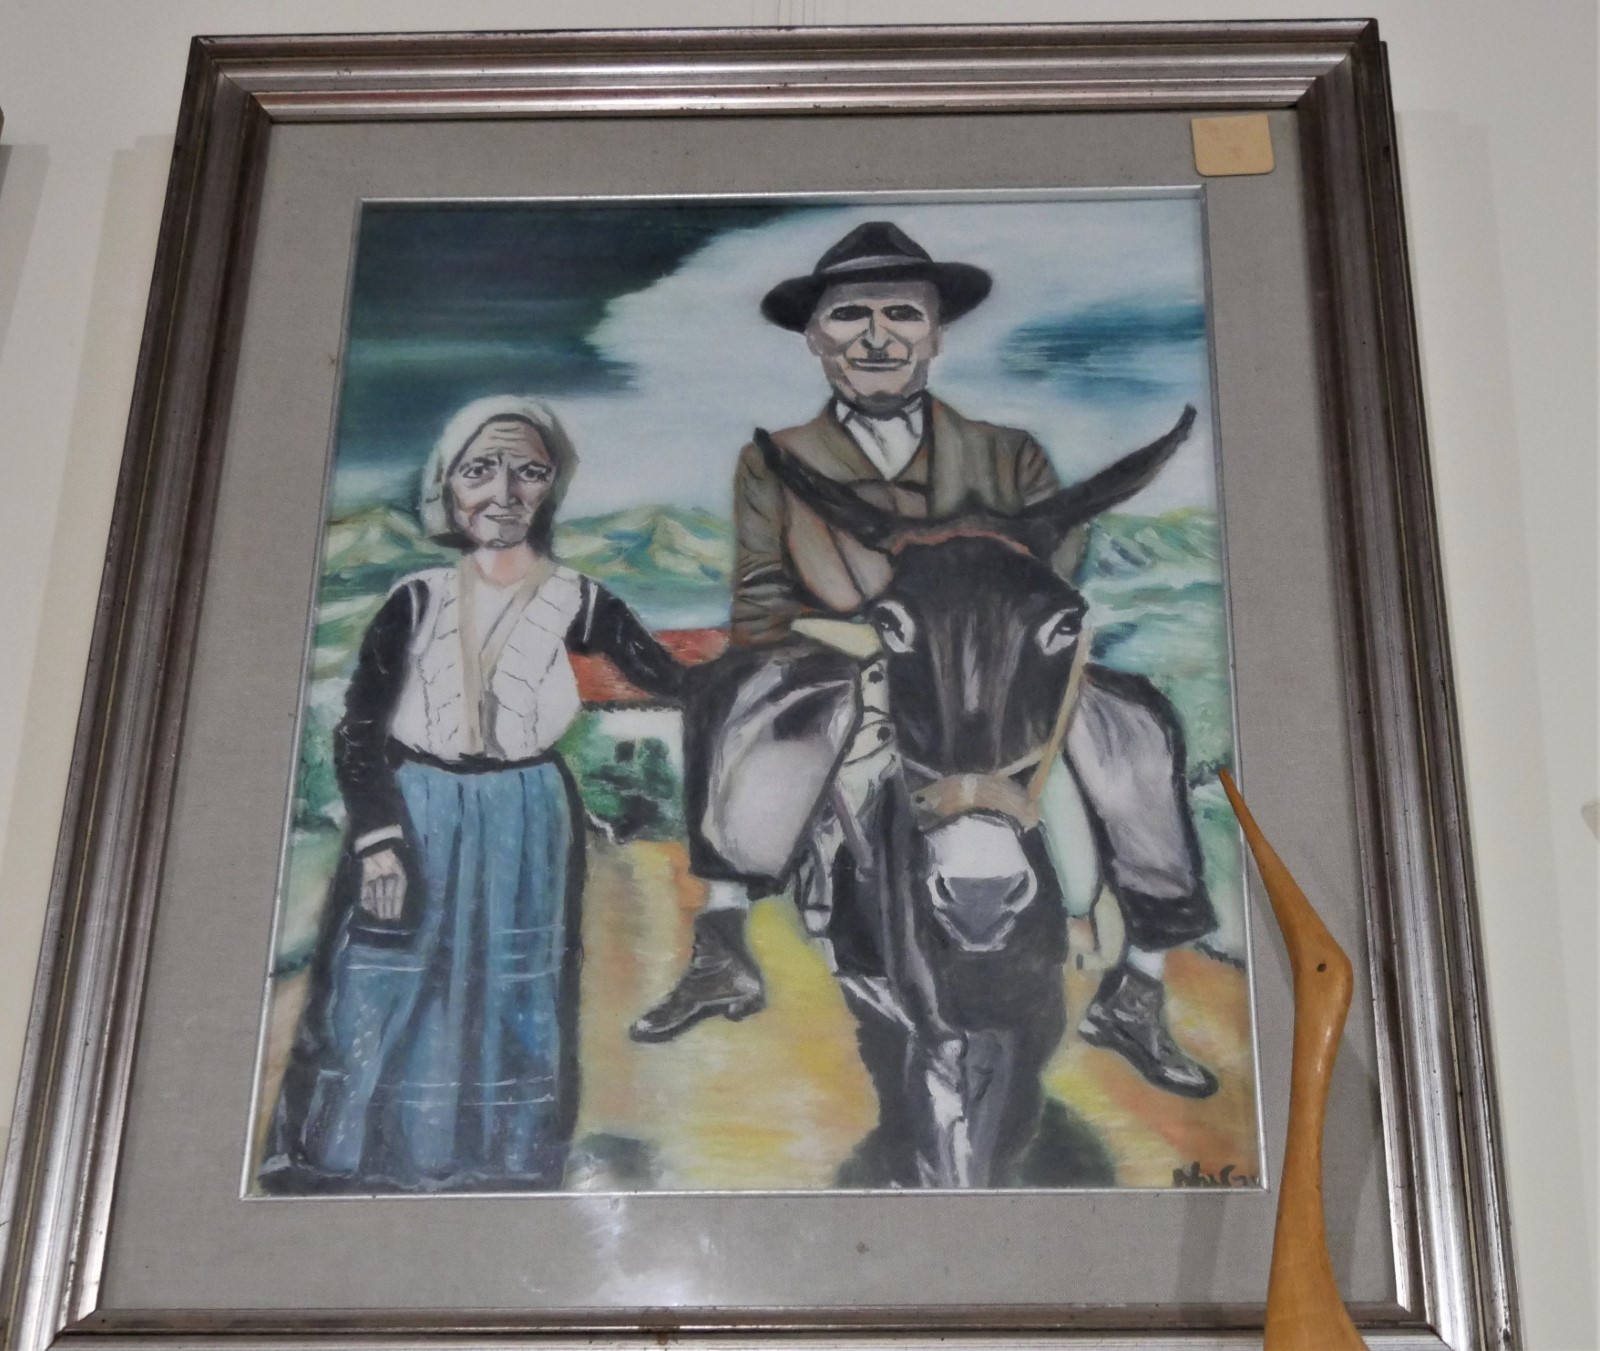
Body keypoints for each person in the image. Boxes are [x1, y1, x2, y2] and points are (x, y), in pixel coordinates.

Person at [628, 221, 1219, 1099]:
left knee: (1134, 724)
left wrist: (968, 632)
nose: (877, 336)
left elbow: (1051, 582)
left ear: (936, 334)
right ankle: (723, 943)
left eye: (902, 313)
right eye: (850, 315)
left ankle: (1140, 981)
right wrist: (873, 637)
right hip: (840, 655)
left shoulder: (1011, 453)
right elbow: (758, 599)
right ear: (816, 338)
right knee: (737, 698)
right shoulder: (773, 461)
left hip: (992, 667)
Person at [260, 395, 683, 1194]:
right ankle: (339, 1160)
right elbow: (360, 730)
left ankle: (499, 1164)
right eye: (480, 469)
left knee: (514, 993)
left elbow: (677, 680)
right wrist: (378, 840)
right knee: (380, 983)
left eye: (529, 471)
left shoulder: (580, 599)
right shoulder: (416, 598)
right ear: (447, 484)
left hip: (526, 816)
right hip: (415, 811)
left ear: (552, 486)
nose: (504, 492)